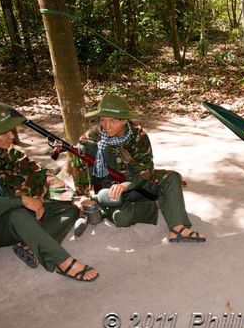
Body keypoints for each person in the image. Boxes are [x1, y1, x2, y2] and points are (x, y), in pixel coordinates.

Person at [0, 103, 99, 282]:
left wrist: (75, 198)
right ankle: (63, 263)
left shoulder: (7, 155)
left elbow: (42, 175)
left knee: (69, 208)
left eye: (11, 129)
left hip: (13, 215)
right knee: (18, 215)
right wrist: (21, 201)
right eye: (4, 132)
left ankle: (30, 247)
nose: (12, 136)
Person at [70, 94, 206, 242]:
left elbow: (147, 168)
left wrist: (127, 185)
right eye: (103, 119)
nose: (106, 126)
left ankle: (178, 229)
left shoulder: (138, 135)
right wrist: (83, 197)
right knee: (121, 218)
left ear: (124, 120)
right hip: (112, 192)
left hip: (137, 181)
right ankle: (158, 204)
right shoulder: (90, 139)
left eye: (113, 121)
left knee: (171, 177)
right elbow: (80, 167)